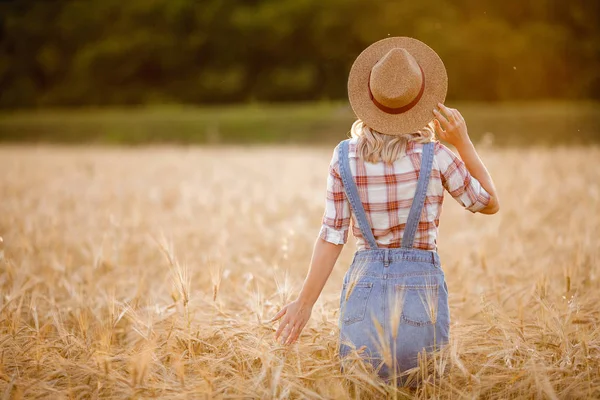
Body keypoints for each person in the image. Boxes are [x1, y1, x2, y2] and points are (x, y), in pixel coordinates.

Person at [269, 37, 500, 385]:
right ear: (420, 102)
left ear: (369, 99)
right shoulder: (437, 156)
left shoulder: (343, 156)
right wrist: (462, 141)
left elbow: (332, 236)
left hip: (363, 300)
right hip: (422, 300)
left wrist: (304, 303)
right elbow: (489, 203)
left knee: (363, 388)